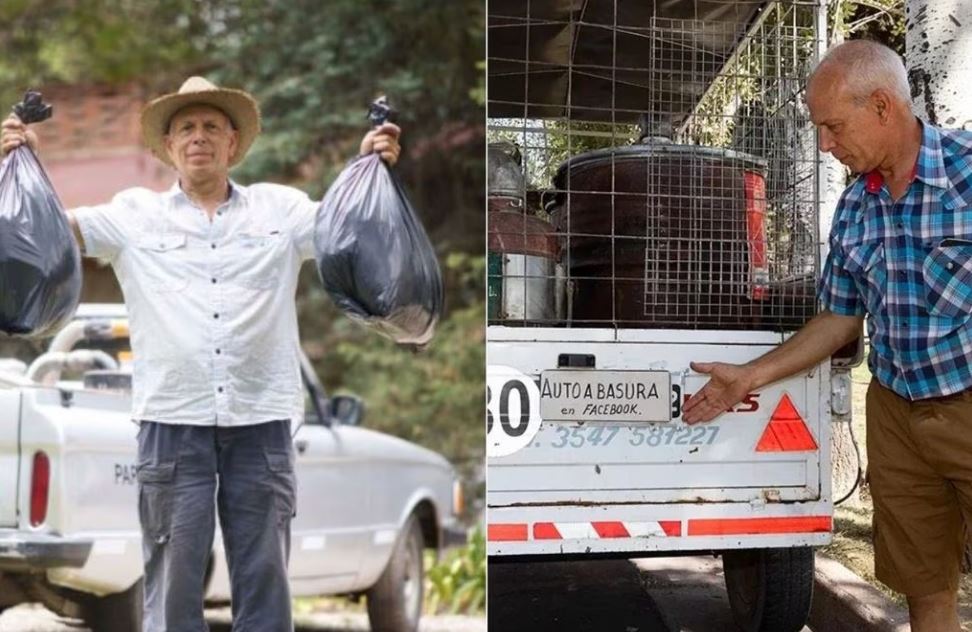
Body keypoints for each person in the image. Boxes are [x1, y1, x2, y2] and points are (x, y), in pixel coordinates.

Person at [1, 76, 401, 632]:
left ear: (233, 144)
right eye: (185, 127)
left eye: (212, 126)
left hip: (261, 421)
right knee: (172, 576)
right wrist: (19, 169)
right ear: (168, 147)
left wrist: (368, 168)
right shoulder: (132, 214)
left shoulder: (281, 211)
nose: (199, 137)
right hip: (172, 421)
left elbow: (348, 228)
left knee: (263, 573)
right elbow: (46, 232)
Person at [682, 39, 972, 632]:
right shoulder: (853, 207)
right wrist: (749, 376)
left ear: (884, 107)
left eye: (833, 126)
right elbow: (840, 317)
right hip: (894, 412)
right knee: (925, 586)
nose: (825, 144)